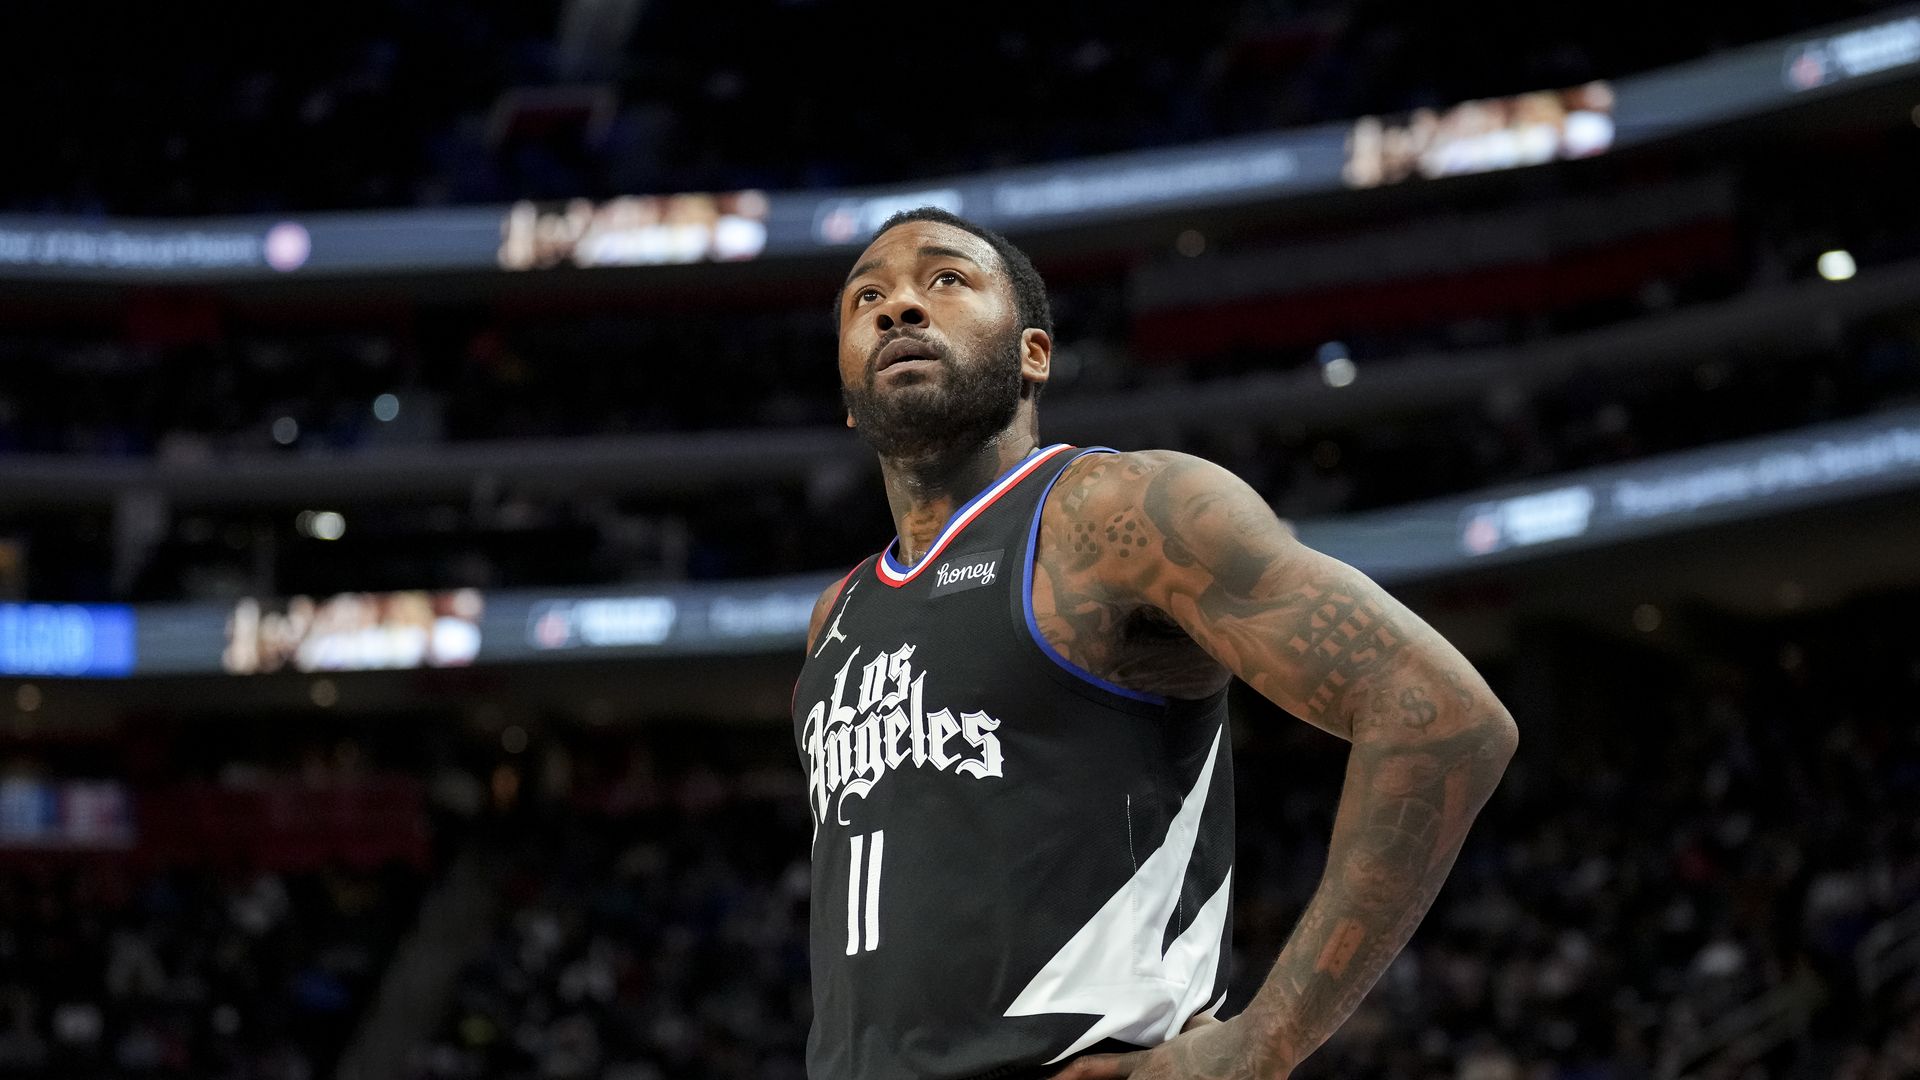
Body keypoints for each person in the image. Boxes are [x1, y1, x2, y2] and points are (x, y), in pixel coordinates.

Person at [793, 207, 1518, 1080]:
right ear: (848, 397)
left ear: (1034, 354)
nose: (900, 306)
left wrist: (1264, 1044)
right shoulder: (836, 615)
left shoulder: (1118, 513)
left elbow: (1441, 715)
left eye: (946, 279)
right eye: (866, 297)